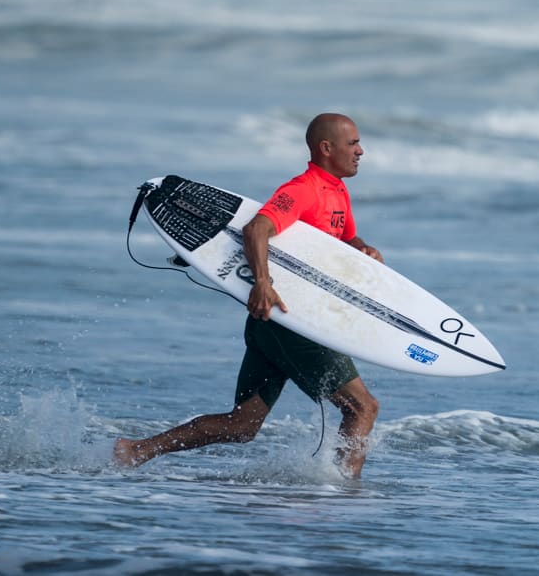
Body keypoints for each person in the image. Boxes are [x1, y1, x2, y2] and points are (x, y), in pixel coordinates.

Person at [114, 113, 383, 478]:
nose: (360, 151)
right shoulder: (302, 190)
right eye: (352, 144)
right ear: (326, 148)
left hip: (274, 324)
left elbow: (345, 240)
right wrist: (262, 282)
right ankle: (341, 493)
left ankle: (136, 450)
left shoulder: (336, 190)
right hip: (289, 320)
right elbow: (256, 229)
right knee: (361, 408)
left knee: (242, 425)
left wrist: (364, 249)